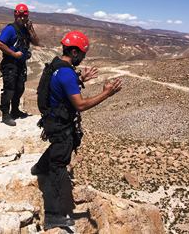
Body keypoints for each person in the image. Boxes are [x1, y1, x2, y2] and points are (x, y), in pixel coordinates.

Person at [31, 31, 122, 229]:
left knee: (56, 150)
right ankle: (53, 216)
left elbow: (59, 89)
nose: (83, 58)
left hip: (51, 119)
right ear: (73, 52)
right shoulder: (66, 73)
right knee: (59, 166)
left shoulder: (58, 66)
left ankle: (38, 167)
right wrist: (106, 93)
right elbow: (80, 105)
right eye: (81, 54)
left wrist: (80, 80)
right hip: (60, 125)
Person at [0, 3, 40, 126]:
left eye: (24, 16)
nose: (22, 18)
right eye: (19, 16)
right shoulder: (10, 29)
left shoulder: (25, 30)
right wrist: (13, 54)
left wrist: (31, 30)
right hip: (10, 64)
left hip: (20, 65)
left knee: (19, 88)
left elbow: (36, 42)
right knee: (9, 89)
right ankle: (5, 114)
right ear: (15, 15)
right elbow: (0, 44)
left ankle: (15, 111)